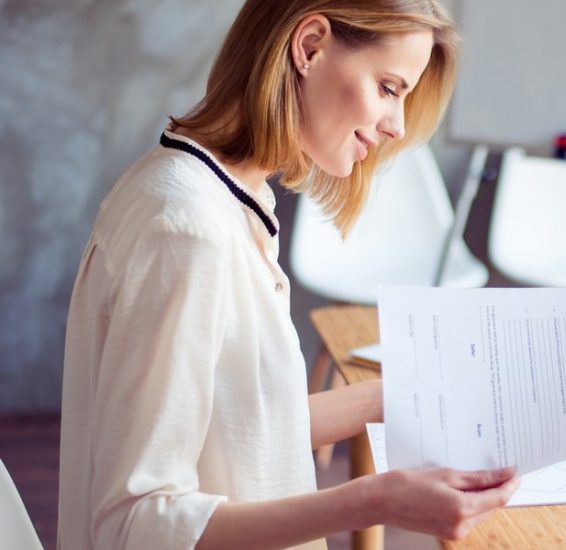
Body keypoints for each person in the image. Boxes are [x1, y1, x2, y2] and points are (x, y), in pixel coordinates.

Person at [57, 1, 520, 548]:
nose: (397, 126)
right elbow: (135, 523)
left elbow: (240, 424)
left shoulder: (219, 195)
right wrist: (375, 500)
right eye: (388, 88)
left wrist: (394, 398)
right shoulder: (187, 230)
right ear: (309, 46)